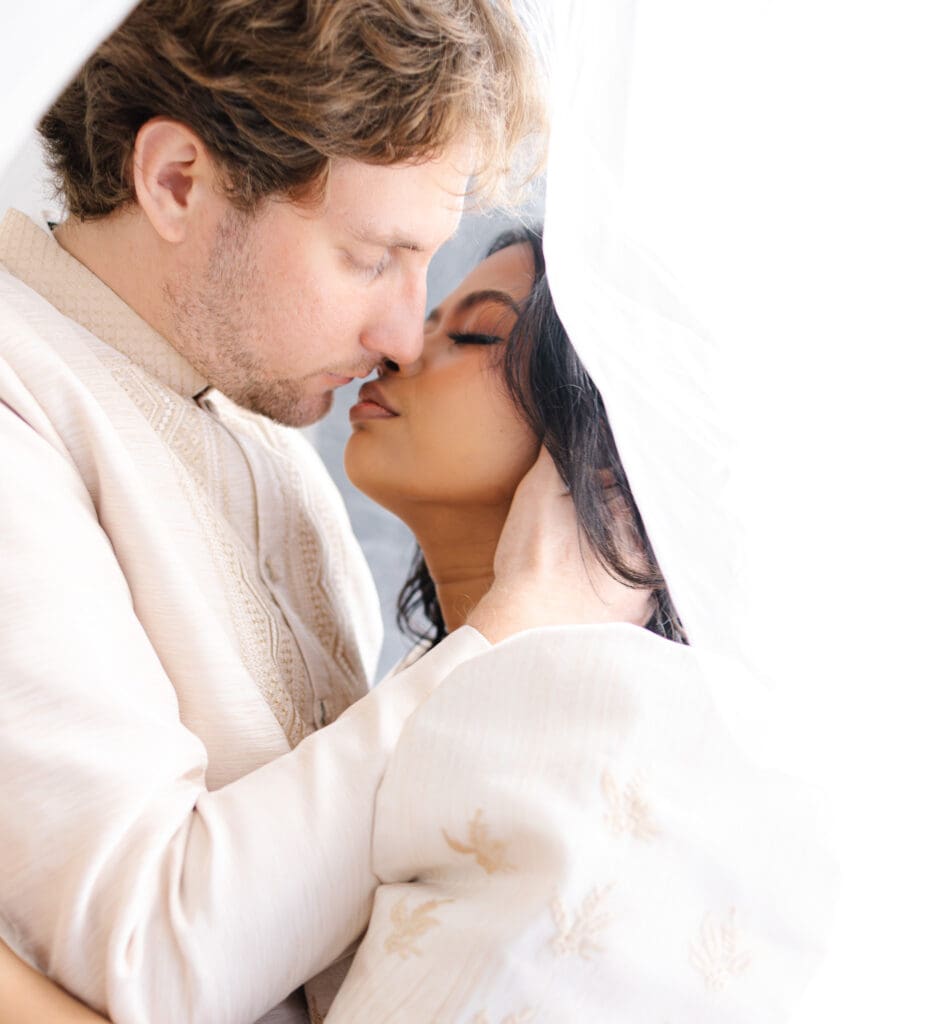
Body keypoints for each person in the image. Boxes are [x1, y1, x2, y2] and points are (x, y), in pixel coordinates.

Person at [0, 226, 832, 1022]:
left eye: (471, 336)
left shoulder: (622, 763)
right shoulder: (390, 649)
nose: (397, 349)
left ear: (601, 448)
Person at [0, 2, 636, 1022]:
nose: (401, 334)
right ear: (177, 182)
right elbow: (148, 960)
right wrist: (512, 629)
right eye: (372, 256)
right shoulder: (19, 408)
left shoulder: (283, 468)